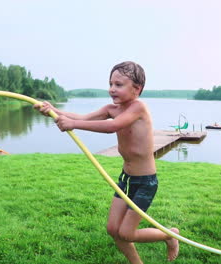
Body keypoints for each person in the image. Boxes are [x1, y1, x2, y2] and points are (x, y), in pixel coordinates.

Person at [34, 61, 179, 264]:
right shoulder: (112, 108)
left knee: (127, 233)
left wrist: (74, 125)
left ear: (136, 89)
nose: (112, 89)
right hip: (126, 179)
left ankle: (169, 236)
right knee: (113, 230)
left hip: (145, 182)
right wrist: (54, 110)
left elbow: (113, 126)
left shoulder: (138, 108)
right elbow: (82, 116)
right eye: (111, 83)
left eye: (119, 84)